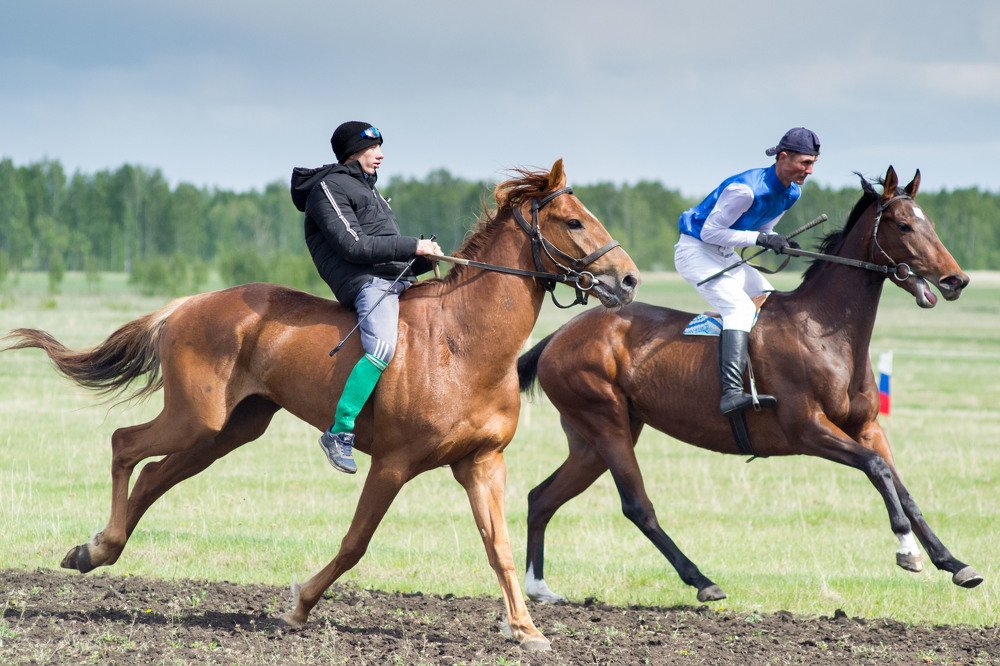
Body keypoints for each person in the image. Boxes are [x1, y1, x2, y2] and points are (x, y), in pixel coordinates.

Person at [290, 121, 442, 474]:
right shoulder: (328, 188)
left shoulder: (368, 188)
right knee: (383, 347)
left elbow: (386, 254)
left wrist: (419, 261)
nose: (381, 155)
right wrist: (412, 245)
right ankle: (341, 430)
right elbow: (353, 246)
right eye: (374, 148)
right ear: (353, 152)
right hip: (365, 283)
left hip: (390, 280)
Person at [674, 127, 820, 416]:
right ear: (783, 157)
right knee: (740, 309)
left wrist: (777, 239)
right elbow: (710, 232)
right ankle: (731, 393)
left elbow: (763, 227)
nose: (811, 170)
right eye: (805, 162)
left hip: (725, 255)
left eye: (814, 162)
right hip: (696, 252)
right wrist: (761, 239)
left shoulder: (792, 193)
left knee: (771, 302)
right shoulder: (745, 190)